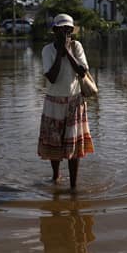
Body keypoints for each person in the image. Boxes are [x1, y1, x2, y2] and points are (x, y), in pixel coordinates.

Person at [38, 13, 94, 189]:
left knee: (74, 146)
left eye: (68, 30)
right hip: (54, 103)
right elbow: (52, 78)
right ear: (54, 31)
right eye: (62, 30)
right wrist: (59, 53)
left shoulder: (77, 47)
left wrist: (67, 52)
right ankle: (56, 177)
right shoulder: (47, 50)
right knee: (54, 143)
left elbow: (82, 72)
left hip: (74, 102)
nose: (66, 33)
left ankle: (73, 187)